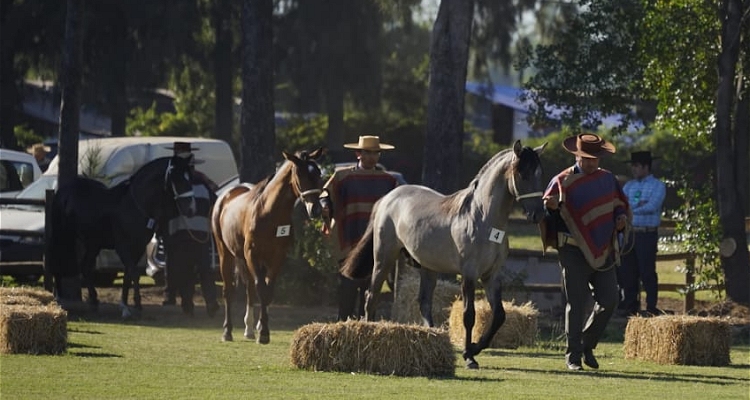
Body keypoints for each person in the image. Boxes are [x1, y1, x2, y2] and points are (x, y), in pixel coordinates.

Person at [540, 133, 631, 371]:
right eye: (587, 158)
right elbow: (545, 215)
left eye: (595, 159)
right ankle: (573, 357)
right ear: (577, 156)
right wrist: (550, 208)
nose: (592, 163)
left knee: (610, 300)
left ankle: (585, 343)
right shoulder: (562, 181)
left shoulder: (608, 179)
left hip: (603, 250)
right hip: (571, 250)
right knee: (576, 303)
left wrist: (620, 218)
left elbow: (619, 204)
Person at [319, 135, 399, 321]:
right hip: (349, 238)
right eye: (368, 153)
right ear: (358, 154)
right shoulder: (342, 177)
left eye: (376, 153)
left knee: (370, 290)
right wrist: (325, 205)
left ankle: (366, 329)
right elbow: (325, 194)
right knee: (347, 290)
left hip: (376, 243)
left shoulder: (388, 181)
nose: (372, 157)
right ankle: (343, 327)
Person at [162, 142, 220, 317]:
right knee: (188, 271)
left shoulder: (203, 182)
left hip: (198, 233)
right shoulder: (173, 181)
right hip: (183, 232)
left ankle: (209, 303)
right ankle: (189, 304)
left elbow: (215, 203)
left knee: (203, 270)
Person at [618, 151, 666, 317]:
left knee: (647, 271)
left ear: (646, 167)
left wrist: (630, 210)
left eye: (636, 166)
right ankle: (630, 306)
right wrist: (636, 207)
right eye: (633, 166)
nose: (633, 169)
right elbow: (621, 206)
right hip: (629, 234)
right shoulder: (629, 186)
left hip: (647, 234)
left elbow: (652, 206)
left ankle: (651, 307)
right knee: (628, 271)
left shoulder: (658, 186)